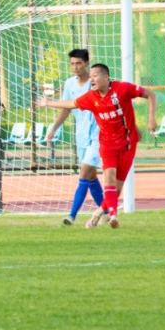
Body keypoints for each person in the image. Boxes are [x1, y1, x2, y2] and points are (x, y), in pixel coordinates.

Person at [37, 63, 158, 229]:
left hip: (128, 144)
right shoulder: (90, 97)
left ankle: (98, 213)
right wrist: (48, 102)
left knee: (117, 187)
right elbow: (71, 104)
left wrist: (151, 119)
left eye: (95, 75)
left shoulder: (122, 89)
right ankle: (113, 215)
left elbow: (150, 94)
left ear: (105, 77)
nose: (91, 79)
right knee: (108, 177)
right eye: (91, 76)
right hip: (107, 144)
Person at [44, 49, 104, 226]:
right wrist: (54, 128)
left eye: (78, 63)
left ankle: (72, 215)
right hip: (81, 136)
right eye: (72, 63)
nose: (75, 67)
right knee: (91, 176)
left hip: (98, 135)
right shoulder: (70, 84)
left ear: (86, 63)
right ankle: (106, 211)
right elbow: (67, 108)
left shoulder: (95, 83)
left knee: (84, 172)